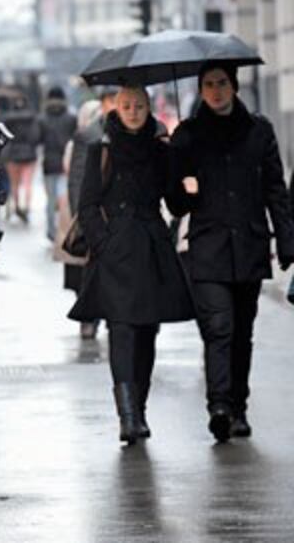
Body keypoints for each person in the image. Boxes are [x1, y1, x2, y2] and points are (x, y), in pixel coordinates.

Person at [170, 62, 294, 442]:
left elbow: (275, 188)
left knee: (242, 331)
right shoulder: (189, 135)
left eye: (222, 83)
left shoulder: (259, 131)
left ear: (234, 86)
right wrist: (178, 171)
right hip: (207, 246)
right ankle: (219, 405)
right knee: (219, 328)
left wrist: (287, 240)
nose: (216, 91)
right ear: (201, 89)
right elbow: (175, 203)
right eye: (208, 85)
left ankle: (238, 407)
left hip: (250, 244)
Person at [68, 85, 195, 445]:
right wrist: (103, 242)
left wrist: (183, 165)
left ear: (149, 107)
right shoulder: (101, 148)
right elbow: (87, 203)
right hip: (115, 252)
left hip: (152, 247)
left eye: (139, 105)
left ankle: (139, 407)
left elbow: (176, 203)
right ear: (117, 109)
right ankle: (127, 416)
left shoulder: (161, 149)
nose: (134, 111)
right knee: (122, 330)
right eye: (127, 105)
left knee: (146, 332)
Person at [64, 88, 117, 340]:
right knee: (89, 272)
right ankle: (90, 319)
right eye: (114, 101)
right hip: (95, 216)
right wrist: (82, 216)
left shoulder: (136, 133)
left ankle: (112, 319)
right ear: (104, 103)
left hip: (120, 218)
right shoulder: (87, 135)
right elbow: (76, 178)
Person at [40, 86, 77, 241]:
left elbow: (38, 139)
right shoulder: (71, 118)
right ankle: (65, 230)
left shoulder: (42, 118)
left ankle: (51, 231)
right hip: (66, 163)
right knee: (64, 198)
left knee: (50, 199)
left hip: (49, 163)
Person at [1, 93, 41, 223]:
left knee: (15, 185)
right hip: (29, 154)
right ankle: (27, 208)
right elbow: (36, 136)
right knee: (28, 183)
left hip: (12, 154)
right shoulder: (31, 118)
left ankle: (17, 207)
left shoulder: (8, 118)